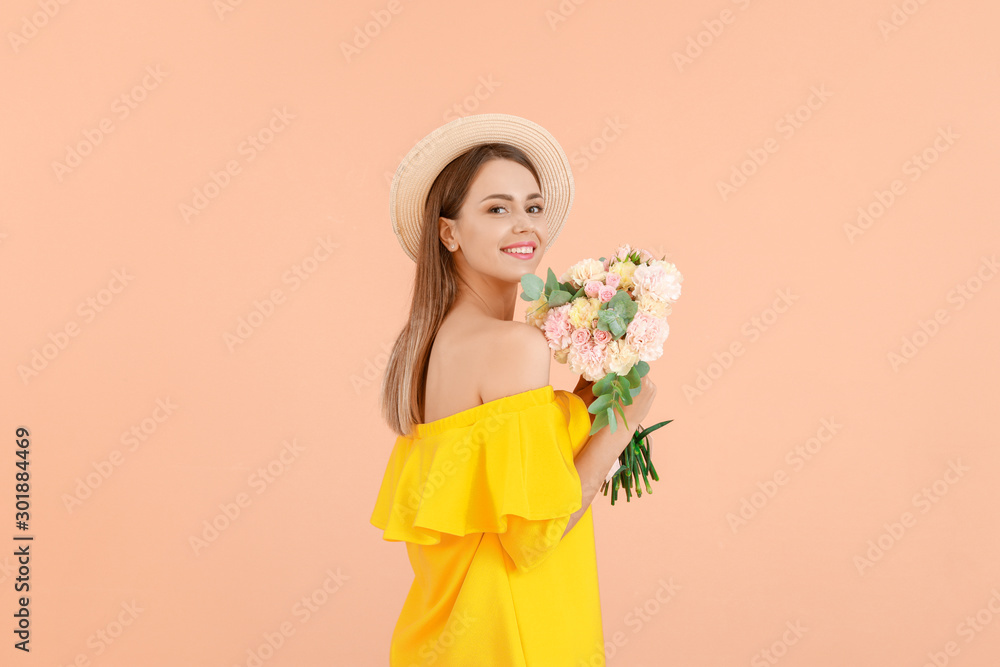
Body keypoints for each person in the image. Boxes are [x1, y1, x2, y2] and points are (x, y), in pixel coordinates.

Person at [370, 113, 657, 666]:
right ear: (448, 231)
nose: (523, 224)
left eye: (532, 207)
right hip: (511, 643)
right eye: (497, 208)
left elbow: (508, 486)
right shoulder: (514, 347)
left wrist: (591, 389)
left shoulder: (431, 345)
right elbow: (533, 534)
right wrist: (620, 422)